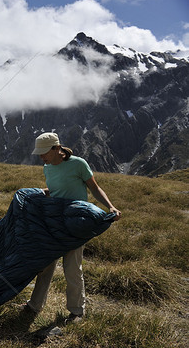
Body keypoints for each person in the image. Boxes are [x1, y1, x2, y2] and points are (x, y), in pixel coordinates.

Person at [25, 132, 121, 323]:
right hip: (55, 222)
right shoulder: (47, 168)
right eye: (40, 153)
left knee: (72, 268)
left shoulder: (78, 164)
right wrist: (38, 193)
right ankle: (34, 305)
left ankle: (77, 311)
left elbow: (94, 188)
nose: (42, 157)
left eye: (44, 152)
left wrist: (110, 206)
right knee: (45, 266)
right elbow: (55, 190)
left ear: (56, 148)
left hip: (76, 224)